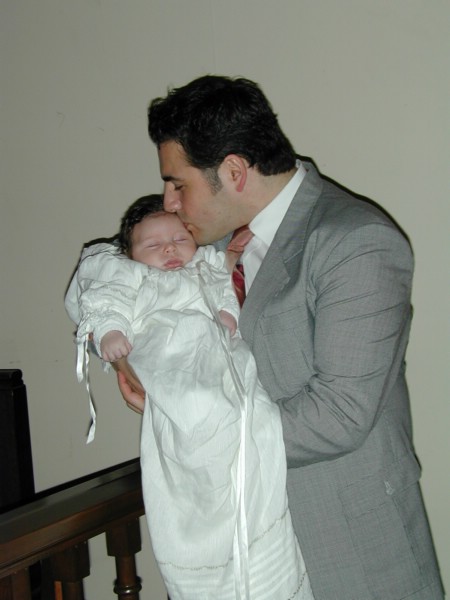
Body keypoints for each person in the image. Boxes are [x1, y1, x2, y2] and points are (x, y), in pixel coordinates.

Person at [117, 76, 445, 599]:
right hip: (248, 559)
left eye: (178, 184)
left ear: (234, 171)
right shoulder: (203, 245)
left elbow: (340, 415)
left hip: (350, 549)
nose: (169, 202)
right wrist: (121, 356)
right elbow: (111, 280)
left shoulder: (356, 241)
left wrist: (199, 437)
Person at [65, 195, 314, 600]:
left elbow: (222, 291)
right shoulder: (130, 276)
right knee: (198, 418)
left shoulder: (203, 265)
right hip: (167, 352)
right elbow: (105, 302)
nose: (169, 249)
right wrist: (110, 333)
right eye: (154, 245)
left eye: (179, 239)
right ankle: (208, 552)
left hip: (215, 355)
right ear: (130, 254)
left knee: (243, 410)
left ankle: (252, 543)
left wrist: (227, 312)